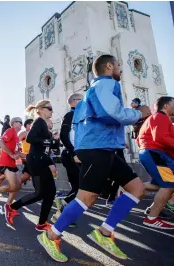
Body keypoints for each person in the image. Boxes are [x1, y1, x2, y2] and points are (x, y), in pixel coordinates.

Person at [38, 54, 148, 262]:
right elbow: (111, 112)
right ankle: (50, 235)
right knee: (86, 198)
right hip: (97, 149)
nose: (121, 69)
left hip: (105, 147)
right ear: (109, 66)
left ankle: (104, 232)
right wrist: (138, 114)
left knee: (137, 189)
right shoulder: (105, 85)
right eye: (118, 65)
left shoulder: (94, 91)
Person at [6, 100, 57, 231]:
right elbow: (30, 139)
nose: (51, 110)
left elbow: (44, 149)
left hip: (40, 162)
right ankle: (38, 221)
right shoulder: (39, 121)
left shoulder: (44, 124)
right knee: (46, 193)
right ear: (40, 109)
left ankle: (40, 222)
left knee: (44, 194)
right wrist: (47, 140)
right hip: (36, 162)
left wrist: (51, 162)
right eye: (49, 108)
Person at [137, 96, 174, 229]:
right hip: (155, 154)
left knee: (161, 185)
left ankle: (130, 189)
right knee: (170, 185)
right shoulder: (160, 117)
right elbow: (161, 138)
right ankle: (152, 218)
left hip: (152, 153)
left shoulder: (155, 119)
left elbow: (138, 140)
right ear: (166, 106)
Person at [56, 93, 83, 215]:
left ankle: (65, 210)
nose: (84, 102)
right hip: (70, 155)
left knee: (78, 187)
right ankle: (63, 207)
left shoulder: (81, 116)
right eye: (81, 100)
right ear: (73, 102)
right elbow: (63, 135)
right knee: (79, 187)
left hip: (79, 155)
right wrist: (73, 153)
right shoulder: (70, 115)